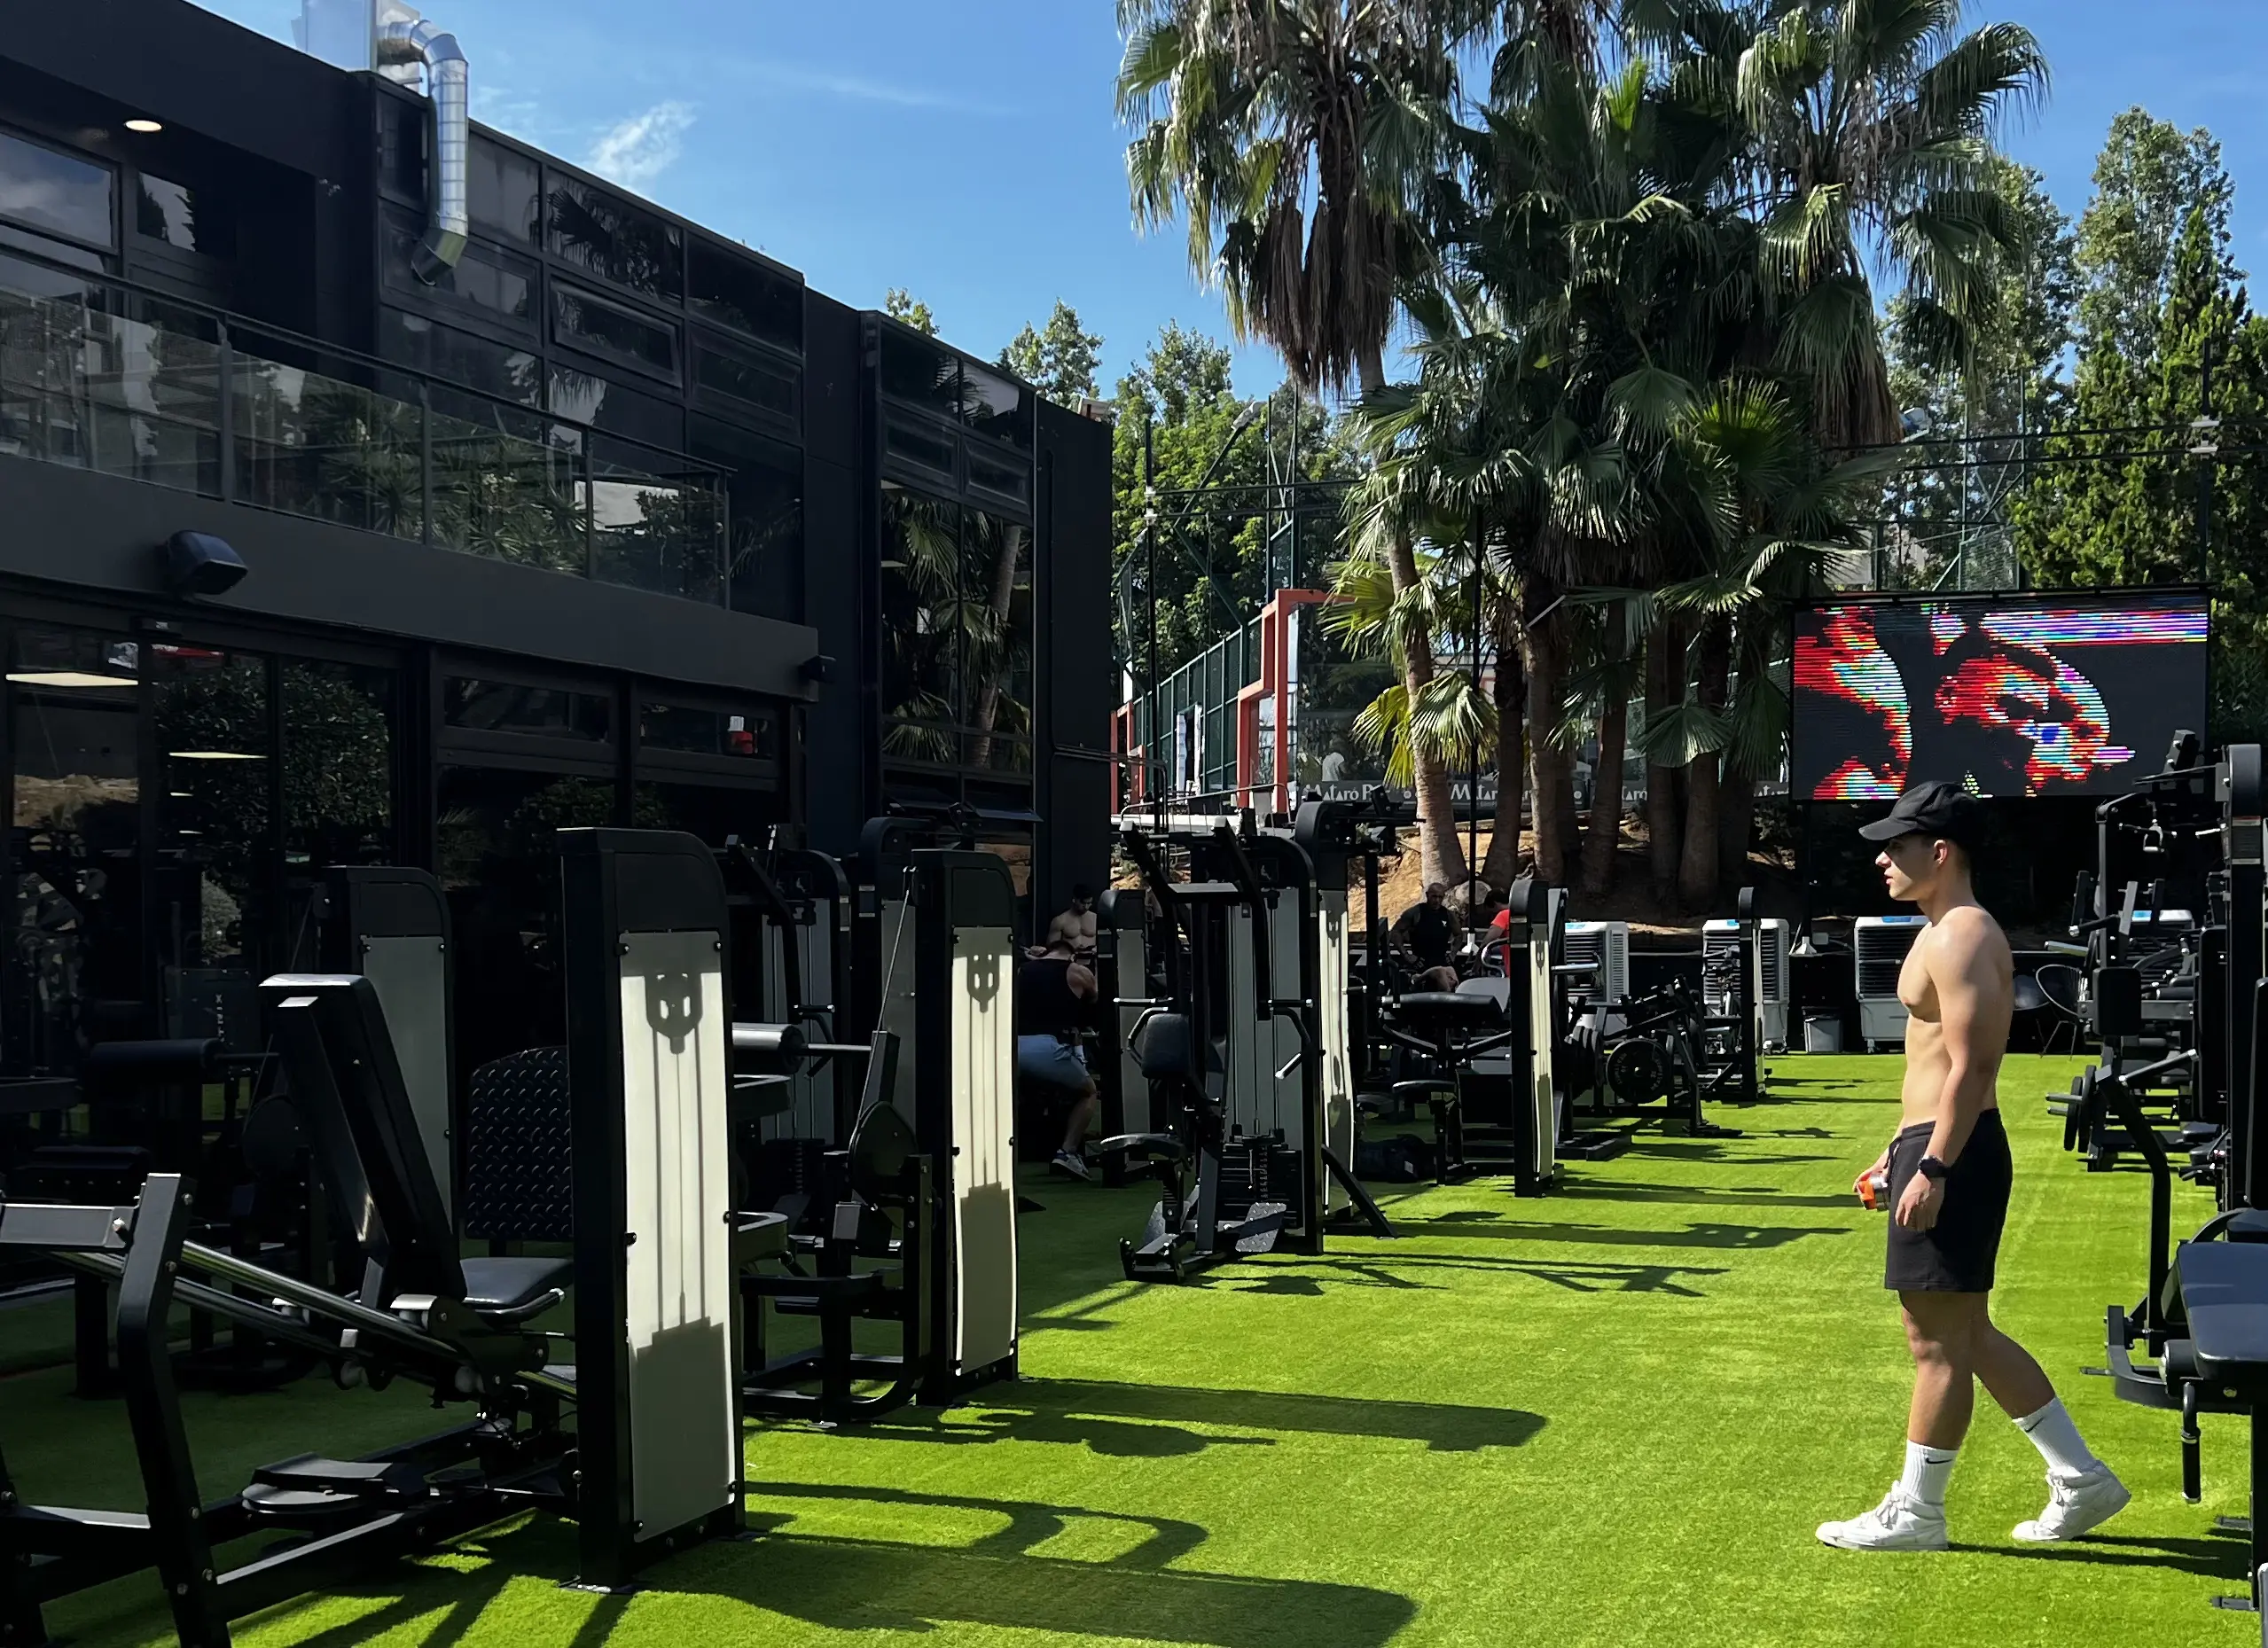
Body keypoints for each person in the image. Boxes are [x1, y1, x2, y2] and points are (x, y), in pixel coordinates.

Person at [1816, 782, 2128, 1552]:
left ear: (1941, 851)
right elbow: (1932, 1067)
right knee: (1967, 1333)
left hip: (1956, 1149)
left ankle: (1918, 1512)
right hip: (1935, 1142)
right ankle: (2082, 1478)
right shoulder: (1940, 931)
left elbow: (1975, 1064)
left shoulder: (1960, 935)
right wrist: (1901, 1149)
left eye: (1898, 845)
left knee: (1936, 1341)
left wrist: (1937, 1167)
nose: (1883, 859)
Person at [1015, 939, 1101, 1179]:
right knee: (1088, 1091)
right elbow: (1096, 1006)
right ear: (1071, 955)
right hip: (1047, 1047)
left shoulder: (1021, 970)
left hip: (1012, 1047)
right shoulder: (1078, 972)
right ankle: (1067, 1152)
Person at [1390, 883, 1463, 972]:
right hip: (1419, 964)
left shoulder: (1448, 915)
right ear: (1427, 895)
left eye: (1440, 897)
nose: (1437, 900)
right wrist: (1407, 956)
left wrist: (1453, 954)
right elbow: (1395, 932)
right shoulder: (1415, 912)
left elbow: (1459, 935)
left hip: (1441, 965)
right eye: (1434, 896)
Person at [1034, 884, 1098, 959]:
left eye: (1089, 903)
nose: (1086, 907)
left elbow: (1105, 943)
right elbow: (1051, 949)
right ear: (1074, 899)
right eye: (1083, 903)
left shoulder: (1096, 918)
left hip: (1092, 960)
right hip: (1068, 962)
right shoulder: (1060, 921)